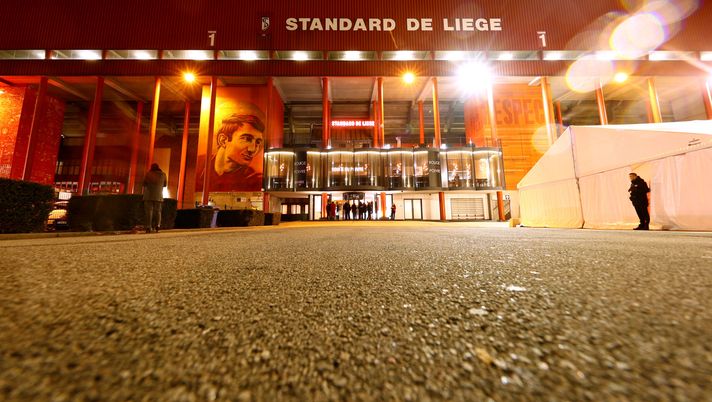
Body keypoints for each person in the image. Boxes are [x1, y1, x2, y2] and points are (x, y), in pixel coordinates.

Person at [197, 113, 264, 192]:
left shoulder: (254, 180)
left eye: (258, 142)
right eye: (247, 139)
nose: (252, 149)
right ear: (223, 140)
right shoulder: (199, 164)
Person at [143, 163, 167, 233]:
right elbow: (165, 185)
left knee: (149, 212)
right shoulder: (163, 174)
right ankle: (157, 226)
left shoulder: (148, 174)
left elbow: (144, 184)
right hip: (158, 196)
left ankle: (148, 227)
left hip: (148, 195)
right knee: (158, 211)